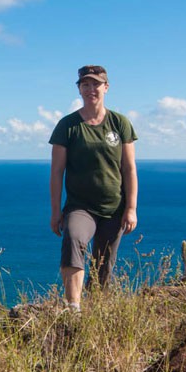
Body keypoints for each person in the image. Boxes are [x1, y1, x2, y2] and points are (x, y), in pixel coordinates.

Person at [49, 65, 138, 312]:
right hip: (80, 206)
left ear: (106, 87)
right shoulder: (68, 126)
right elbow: (57, 172)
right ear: (79, 89)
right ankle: (73, 309)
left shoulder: (120, 123)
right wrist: (56, 212)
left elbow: (129, 169)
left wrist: (131, 208)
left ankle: (95, 313)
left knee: (104, 266)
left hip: (114, 208)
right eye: (85, 85)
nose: (91, 89)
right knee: (74, 239)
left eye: (96, 84)